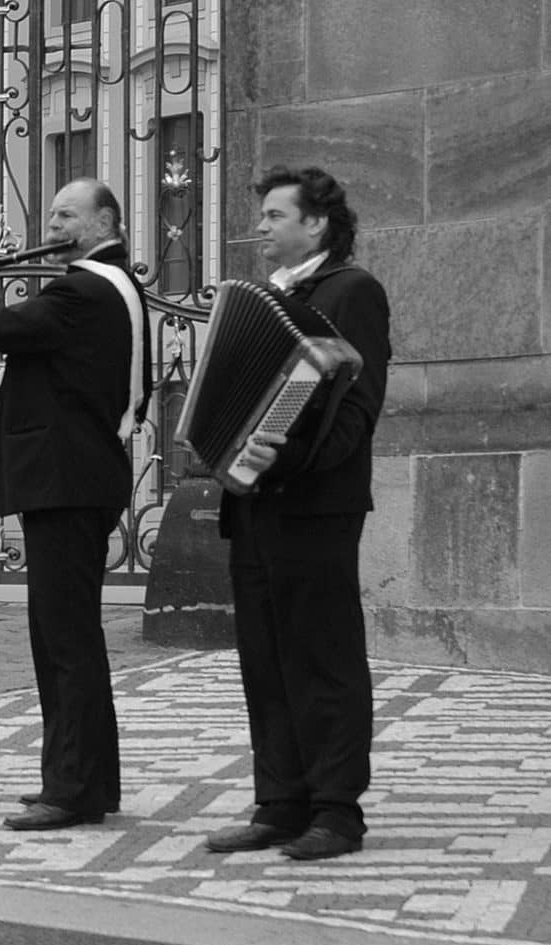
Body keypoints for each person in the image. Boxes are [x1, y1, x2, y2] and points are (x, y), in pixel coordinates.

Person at [203, 166, 391, 861]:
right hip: (254, 504)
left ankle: (336, 811)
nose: (264, 227)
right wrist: (238, 456)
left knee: (322, 656)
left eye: (276, 215)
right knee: (266, 657)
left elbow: (355, 409)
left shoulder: (351, 291)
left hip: (316, 507)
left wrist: (289, 461)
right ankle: (280, 802)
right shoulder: (269, 297)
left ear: (315, 223)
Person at [0, 178, 152, 831]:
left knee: (64, 639)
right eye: (52, 215)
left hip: (67, 481)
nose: (55, 225)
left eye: (67, 215)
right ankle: (85, 780)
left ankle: (71, 789)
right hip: (84, 477)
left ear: (102, 222)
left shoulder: (80, 289)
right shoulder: (120, 286)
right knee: (69, 636)